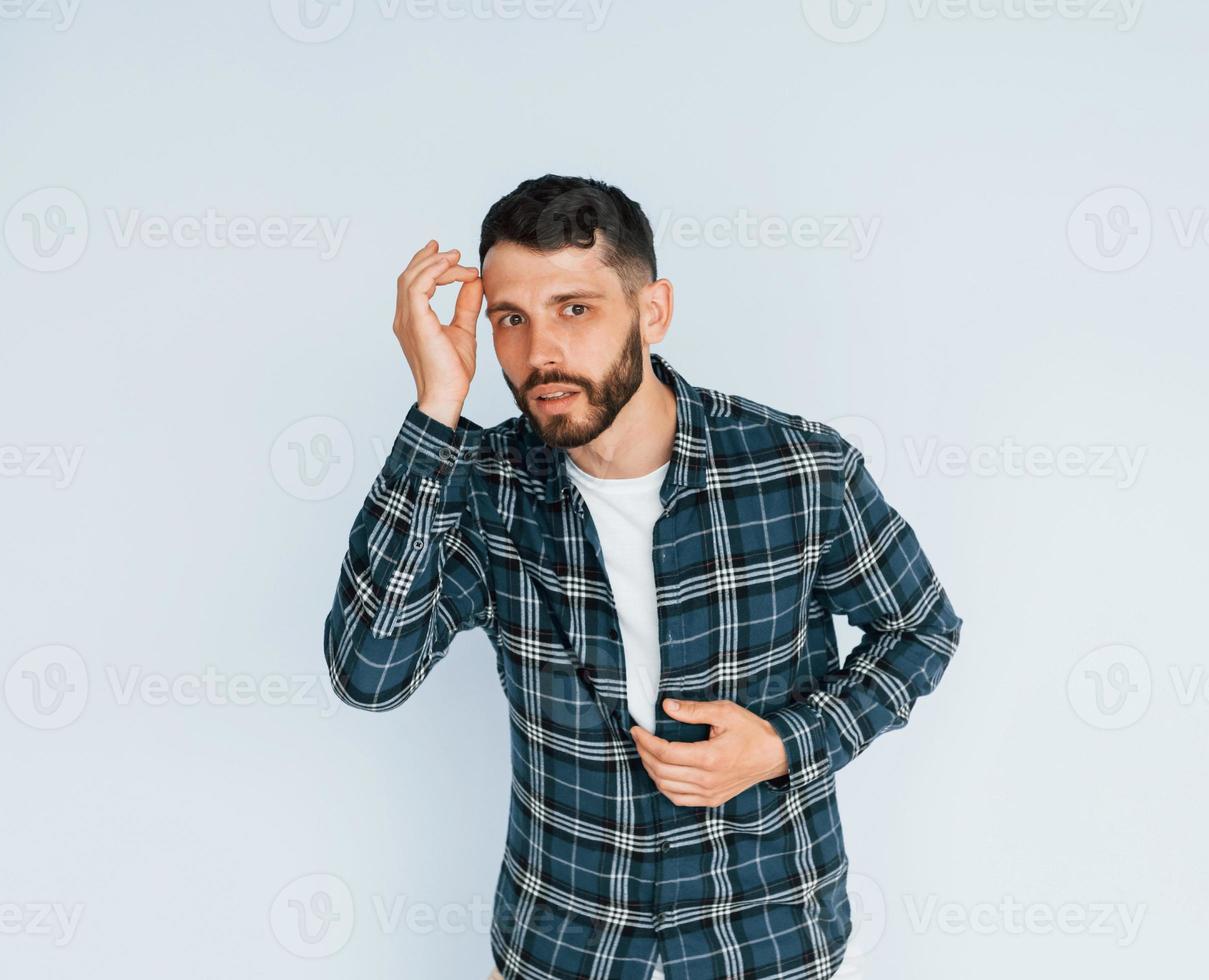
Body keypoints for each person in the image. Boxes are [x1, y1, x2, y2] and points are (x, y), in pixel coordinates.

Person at [323, 175, 963, 980]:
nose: (539, 353)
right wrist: (435, 413)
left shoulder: (799, 472)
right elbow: (367, 673)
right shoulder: (482, 488)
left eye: (575, 309)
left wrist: (782, 744)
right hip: (562, 946)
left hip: (766, 941)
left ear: (651, 311)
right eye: (511, 319)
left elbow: (922, 631)